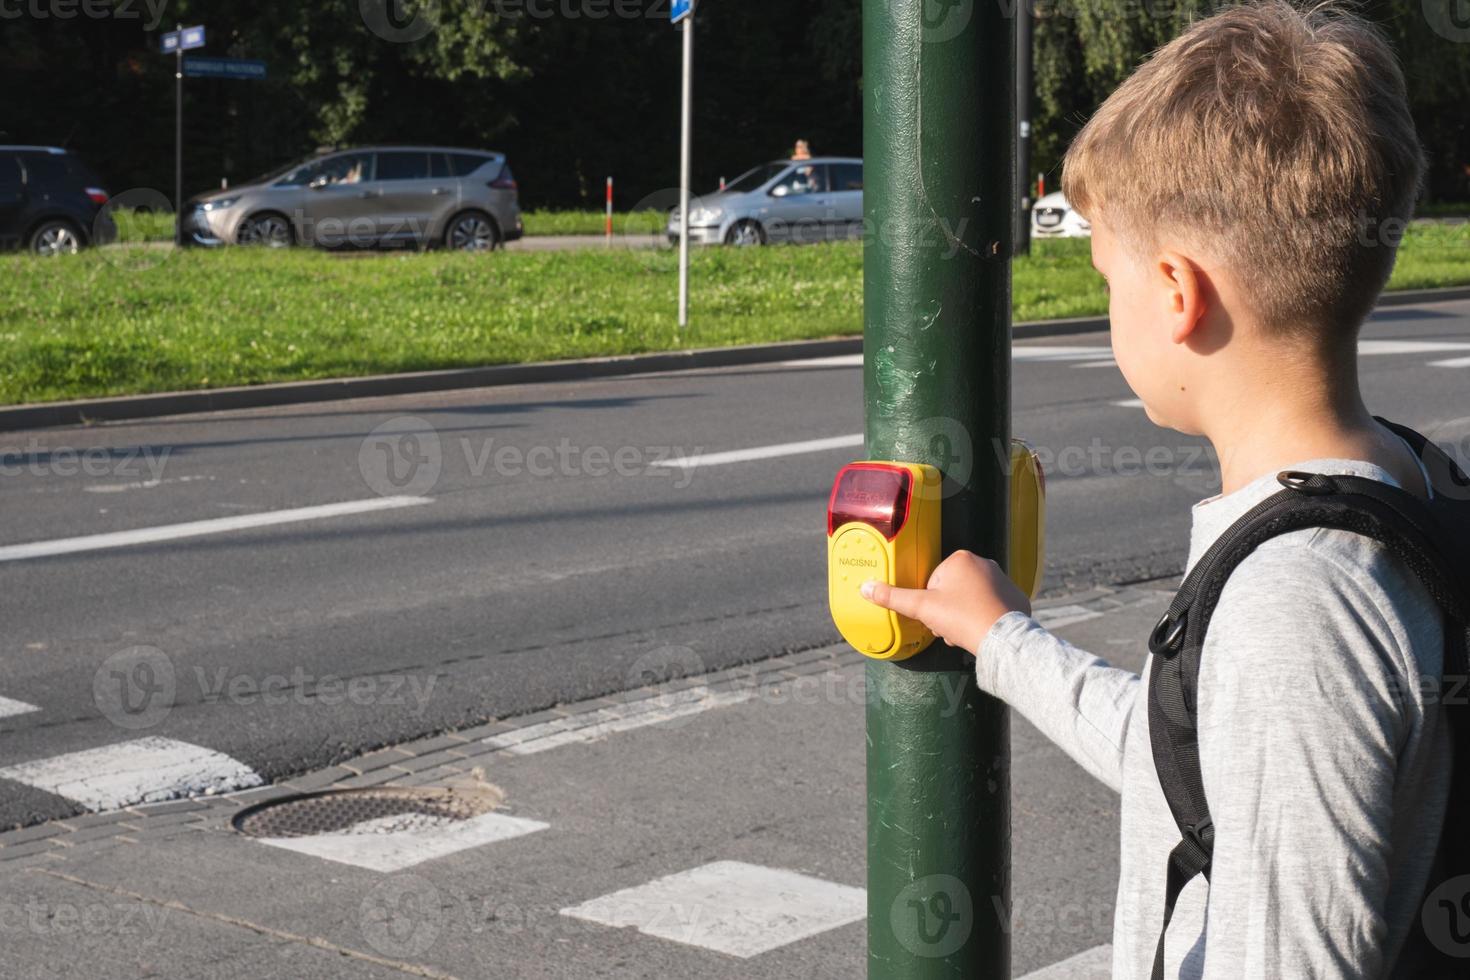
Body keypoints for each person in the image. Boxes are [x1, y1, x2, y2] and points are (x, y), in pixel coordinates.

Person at [862, 2, 1450, 977]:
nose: (1107, 315)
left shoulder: (1295, 603)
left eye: (1107, 277)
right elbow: (1204, 764)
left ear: (1180, 293)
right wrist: (1006, 642)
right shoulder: (1405, 483)